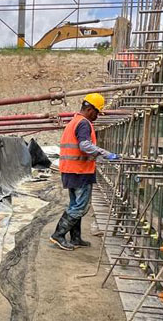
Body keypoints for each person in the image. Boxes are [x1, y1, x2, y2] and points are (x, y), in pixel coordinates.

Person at [50, 93, 119, 250]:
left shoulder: (74, 121)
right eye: (97, 112)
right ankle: (58, 235)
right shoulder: (84, 123)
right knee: (80, 207)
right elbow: (85, 146)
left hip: (71, 170)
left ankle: (75, 238)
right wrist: (106, 154)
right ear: (89, 109)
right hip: (80, 172)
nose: (97, 116)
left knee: (75, 204)